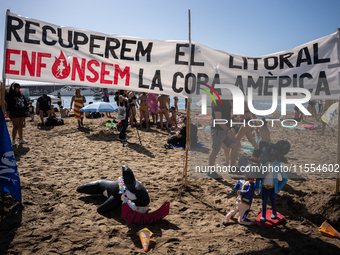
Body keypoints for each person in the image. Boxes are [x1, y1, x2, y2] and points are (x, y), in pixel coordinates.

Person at [208, 99, 239, 167]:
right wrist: (228, 131)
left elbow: (226, 114)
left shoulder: (227, 100)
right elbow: (218, 119)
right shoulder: (217, 101)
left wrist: (233, 119)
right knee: (215, 151)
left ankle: (232, 167)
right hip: (218, 130)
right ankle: (210, 170)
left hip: (226, 129)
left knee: (235, 145)